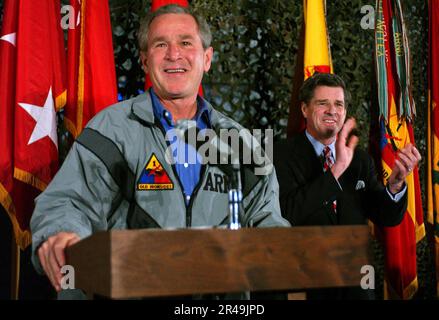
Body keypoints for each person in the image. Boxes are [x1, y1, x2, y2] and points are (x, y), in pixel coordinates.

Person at [30, 4, 289, 299]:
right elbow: (67, 201)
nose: (174, 54)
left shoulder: (242, 143)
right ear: (144, 60)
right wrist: (62, 233)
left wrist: (288, 251)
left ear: (207, 58)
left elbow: (268, 224)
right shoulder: (111, 129)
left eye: (185, 43)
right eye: (160, 44)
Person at [273, 73, 421, 299]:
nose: (332, 110)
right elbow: (286, 214)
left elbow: (387, 217)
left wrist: (396, 183)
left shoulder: (360, 159)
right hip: (305, 281)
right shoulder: (280, 155)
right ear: (304, 109)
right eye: (323, 104)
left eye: (339, 104)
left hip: (357, 283)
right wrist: (337, 170)